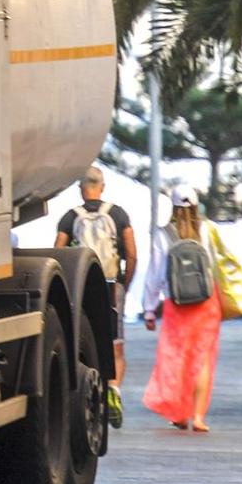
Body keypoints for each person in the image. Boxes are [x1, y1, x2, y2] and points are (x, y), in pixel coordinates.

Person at [140, 185, 237, 432]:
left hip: (177, 304)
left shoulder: (163, 234)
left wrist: (149, 309)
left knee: (177, 359)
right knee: (202, 360)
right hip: (207, 302)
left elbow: (156, 273)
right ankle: (198, 416)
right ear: (196, 205)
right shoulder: (207, 230)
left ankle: (179, 414)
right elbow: (218, 265)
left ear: (172, 206)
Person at [54, 166, 137, 427]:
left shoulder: (70, 217)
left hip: (83, 286)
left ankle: (93, 391)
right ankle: (113, 389)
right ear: (102, 186)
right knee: (116, 344)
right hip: (112, 284)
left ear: (81, 189)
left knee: (86, 338)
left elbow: (58, 251)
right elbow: (132, 253)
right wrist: (125, 283)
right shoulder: (118, 214)